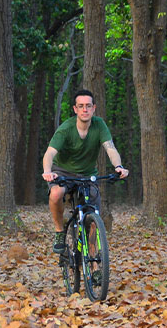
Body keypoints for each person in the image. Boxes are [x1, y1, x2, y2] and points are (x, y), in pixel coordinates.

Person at [42, 89, 129, 253]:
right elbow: (50, 153)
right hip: (62, 172)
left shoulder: (99, 125)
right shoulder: (66, 128)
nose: (85, 109)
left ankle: (95, 268)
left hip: (88, 175)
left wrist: (118, 166)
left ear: (94, 108)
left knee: (93, 221)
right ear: (75, 109)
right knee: (55, 194)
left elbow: (110, 149)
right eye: (81, 106)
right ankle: (60, 232)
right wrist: (48, 171)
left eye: (88, 106)